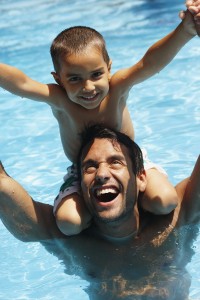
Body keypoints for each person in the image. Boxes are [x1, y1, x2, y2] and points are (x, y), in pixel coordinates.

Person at [0, 2, 199, 236]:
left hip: (133, 163)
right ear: (58, 79)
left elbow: (149, 63)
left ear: (108, 68)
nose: (88, 87)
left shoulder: (117, 88)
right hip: (82, 173)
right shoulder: (60, 100)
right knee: (69, 222)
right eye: (74, 79)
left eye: (96, 75)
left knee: (164, 201)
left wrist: (185, 30)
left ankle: (130, 206)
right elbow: (21, 83)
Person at [0, 124, 200, 299]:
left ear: (140, 178)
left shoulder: (176, 218)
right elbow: (4, 189)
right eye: (90, 167)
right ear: (79, 187)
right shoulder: (72, 242)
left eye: (115, 162)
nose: (102, 174)